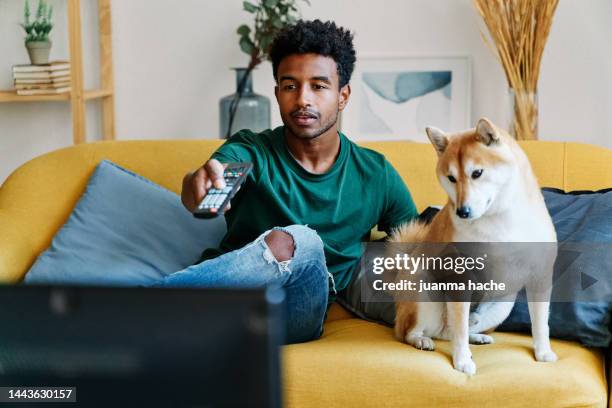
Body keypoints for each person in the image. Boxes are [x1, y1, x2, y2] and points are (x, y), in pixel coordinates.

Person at [154, 20, 418, 343]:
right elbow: (204, 188)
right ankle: (154, 308)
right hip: (228, 299)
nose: (303, 99)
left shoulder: (376, 174)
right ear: (277, 92)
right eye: (290, 86)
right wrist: (196, 185)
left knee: (301, 241)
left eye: (319, 86)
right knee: (292, 239)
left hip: (296, 314)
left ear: (343, 96)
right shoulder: (252, 149)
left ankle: (144, 307)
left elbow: (417, 247)